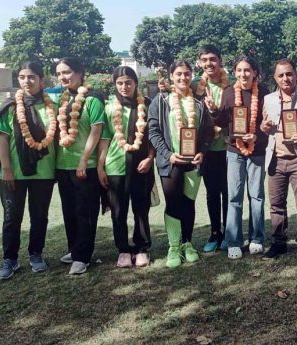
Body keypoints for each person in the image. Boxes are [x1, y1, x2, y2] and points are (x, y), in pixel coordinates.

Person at [0, 62, 58, 280]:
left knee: (39, 216)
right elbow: (2, 140)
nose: (26, 81)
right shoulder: (10, 106)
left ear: (42, 80)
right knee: (12, 217)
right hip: (15, 173)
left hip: (44, 172)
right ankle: (9, 259)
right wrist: (7, 170)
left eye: (31, 77)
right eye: (22, 77)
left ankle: (36, 254)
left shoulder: (52, 106)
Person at [147, 60, 213, 268]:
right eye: (178, 74)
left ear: (191, 75)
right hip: (171, 161)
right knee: (174, 203)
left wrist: (202, 151)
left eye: (186, 74)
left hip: (193, 161)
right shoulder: (161, 100)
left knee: (188, 203)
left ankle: (187, 243)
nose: (183, 78)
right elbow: (153, 131)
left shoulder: (199, 102)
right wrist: (167, 155)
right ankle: (173, 246)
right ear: (171, 76)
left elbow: (208, 132)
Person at [260, 58, 297, 265]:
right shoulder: (268, 99)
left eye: (289, 74)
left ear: (295, 74)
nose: (286, 78)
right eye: (281, 75)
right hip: (275, 159)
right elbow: (264, 126)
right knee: (276, 205)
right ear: (275, 78)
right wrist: (264, 128)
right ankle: (278, 243)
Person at [97, 66, 155, 268]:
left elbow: (154, 137)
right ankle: (122, 249)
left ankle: (141, 248)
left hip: (141, 165)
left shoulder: (147, 105)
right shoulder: (109, 107)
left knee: (141, 208)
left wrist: (150, 158)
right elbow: (104, 138)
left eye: (128, 82)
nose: (124, 86)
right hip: (115, 165)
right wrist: (100, 167)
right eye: (120, 83)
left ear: (136, 83)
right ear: (115, 84)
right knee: (118, 210)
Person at [52, 57, 106, 275]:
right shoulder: (63, 100)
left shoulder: (92, 99)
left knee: (85, 211)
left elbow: (96, 130)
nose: (63, 77)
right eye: (59, 74)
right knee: (69, 211)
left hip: (86, 165)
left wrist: (84, 159)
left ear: (80, 72)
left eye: (67, 72)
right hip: (63, 164)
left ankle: (83, 256)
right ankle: (75, 250)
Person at [214, 55, 269, 259]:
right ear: (234, 72)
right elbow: (221, 120)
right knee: (234, 197)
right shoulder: (228, 93)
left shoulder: (264, 93)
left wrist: (257, 135)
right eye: (239, 70)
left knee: (257, 196)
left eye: (247, 70)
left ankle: (257, 238)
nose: (243, 74)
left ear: (255, 72)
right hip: (235, 151)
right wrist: (212, 110)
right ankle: (233, 240)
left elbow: (269, 123)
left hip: (257, 151)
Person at [191, 45, 230, 253]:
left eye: (213, 59)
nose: (209, 64)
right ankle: (215, 232)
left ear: (220, 60)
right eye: (204, 60)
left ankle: (229, 231)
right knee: (212, 192)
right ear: (199, 62)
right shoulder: (195, 85)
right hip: (206, 149)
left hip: (229, 146)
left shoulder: (231, 83)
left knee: (228, 191)